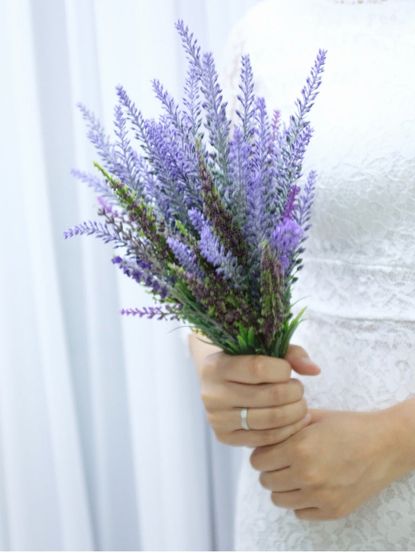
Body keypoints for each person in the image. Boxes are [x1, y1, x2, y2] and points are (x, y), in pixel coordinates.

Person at [188, 0, 415, 549]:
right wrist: (218, 368)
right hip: (295, 487)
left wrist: (394, 441)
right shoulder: (267, 31)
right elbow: (209, 250)